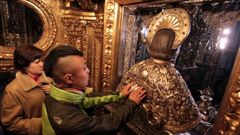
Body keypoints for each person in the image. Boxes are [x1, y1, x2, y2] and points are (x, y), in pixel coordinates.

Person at [117, 28, 210, 134]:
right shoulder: (171, 75)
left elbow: (121, 92)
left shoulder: (138, 66)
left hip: (130, 120)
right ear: (173, 48)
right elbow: (185, 115)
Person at [42, 45, 146, 135]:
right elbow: (108, 125)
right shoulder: (69, 120)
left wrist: (120, 94)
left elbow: (89, 99)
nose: (88, 70)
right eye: (84, 67)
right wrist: (131, 103)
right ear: (69, 78)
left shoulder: (56, 95)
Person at [1, 45, 52, 135]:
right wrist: (45, 123)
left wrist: (56, 91)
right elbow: (11, 124)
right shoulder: (13, 90)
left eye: (41, 60)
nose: (42, 64)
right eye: (37, 62)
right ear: (23, 65)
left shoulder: (50, 81)